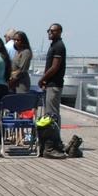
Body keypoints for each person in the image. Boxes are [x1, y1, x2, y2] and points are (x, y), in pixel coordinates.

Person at [37, 23, 68, 158]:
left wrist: (42, 79)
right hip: (50, 84)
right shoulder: (53, 45)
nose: (50, 32)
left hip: (55, 84)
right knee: (49, 114)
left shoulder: (59, 46)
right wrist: (45, 81)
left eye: (53, 31)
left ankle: (55, 142)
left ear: (59, 32)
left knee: (53, 115)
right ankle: (49, 140)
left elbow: (54, 67)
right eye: (49, 30)